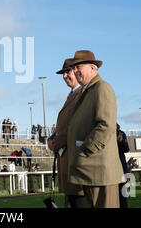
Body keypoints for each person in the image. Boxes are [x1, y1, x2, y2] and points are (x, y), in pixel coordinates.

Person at [66, 50, 124, 208]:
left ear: (93, 68)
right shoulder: (87, 91)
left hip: (100, 171)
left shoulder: (102, 88)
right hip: (90, 170)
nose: (76, 70)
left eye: (79, 66)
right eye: (74, 67)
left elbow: (105, 125)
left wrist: (85, 150)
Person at [47, 58, 86, 208]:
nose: (64, 76)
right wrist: (52, 139)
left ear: (77, 71)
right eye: (63, 73)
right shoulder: (71, 95)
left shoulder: (82, 94)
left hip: (76, 162)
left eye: (67, 72)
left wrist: (55, 143)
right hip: (67, 160)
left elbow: (74, 126)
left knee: (79, 202)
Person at [117, 124, 130, 208]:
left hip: (120, 164)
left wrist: (121, 141)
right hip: (114, 164)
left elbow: (126, 149)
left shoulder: (121, 133)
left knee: (122, 193)